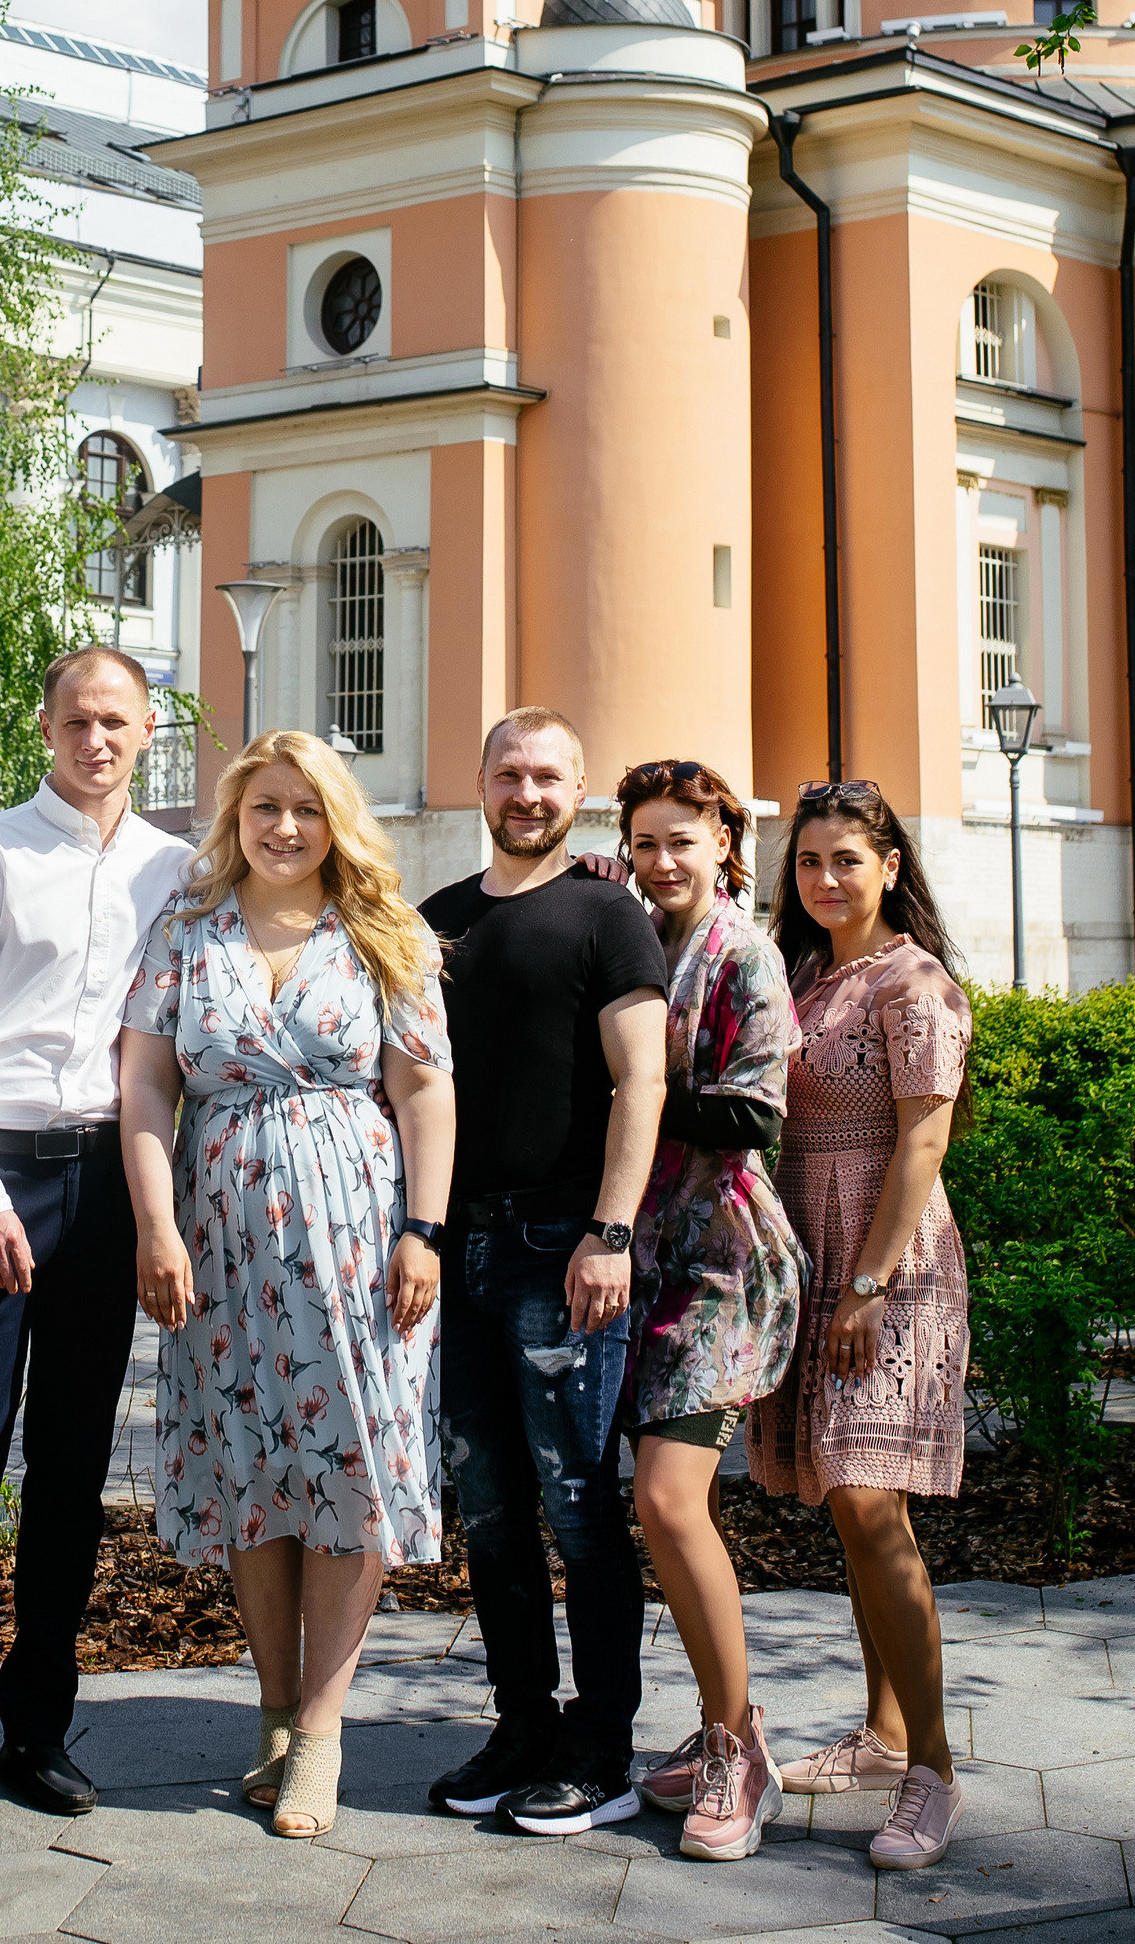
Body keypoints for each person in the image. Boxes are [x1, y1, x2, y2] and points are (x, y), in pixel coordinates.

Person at [0, 647, 194, 1818]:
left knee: (69, 1467)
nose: (95, 740)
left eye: (116, 721)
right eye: (76, 721)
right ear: (45, 727)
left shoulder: (178, 868)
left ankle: (39, 1723)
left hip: (111, 1177)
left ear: (148, 729)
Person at [120, 732, 455, 1840]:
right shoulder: (189, 927)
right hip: (218, 1248)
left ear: (337, 821)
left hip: (359, 1246)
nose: (283, 828)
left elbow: (423, 1095)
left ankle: (323, 1731)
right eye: (265, 806)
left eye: (306, 810)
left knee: (351, 1468)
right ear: (236, 815)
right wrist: (157, 1228)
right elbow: (145, 1090)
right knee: (252, 1474)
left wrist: (422, 1232)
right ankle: (270, 1713)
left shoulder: (380, 934)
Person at [419, 708, 670, 1838]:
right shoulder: (439, 923)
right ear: (480, 782)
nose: (528, 793)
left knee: (578, 1504)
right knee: (490, 1508)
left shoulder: (610, 914)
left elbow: (643, 1084)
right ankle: (521, 1722)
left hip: (562, 1247)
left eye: (549, 777)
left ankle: (603, 1744)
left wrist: (609, 1233)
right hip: (456, 1247)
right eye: (510, 773)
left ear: (582, 793)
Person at [748, 779, 973, 1873]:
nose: (826, 879)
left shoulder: (910, 980)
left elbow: (925, 1143)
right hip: (811, 1242)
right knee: (842, 1495)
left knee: (873, 1498)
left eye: (848, 859)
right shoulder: (801, 975)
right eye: (809, 861)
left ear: (890, 865)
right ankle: (884, 1733)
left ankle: (932, 1768)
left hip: (889, 1257)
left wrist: (871, 1282)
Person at [615, 757, 808, 1862]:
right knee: (654, 1510)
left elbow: (752, 1110)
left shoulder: (741, 953)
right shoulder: (636, 935)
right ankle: (721, 1719)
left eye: (682, 839)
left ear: (727, 842)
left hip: (722, 1264)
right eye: (645, 840)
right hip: (644, 1260)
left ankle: (739, 1750)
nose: (661, 859)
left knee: (670, 1498)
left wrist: (626, 1094)